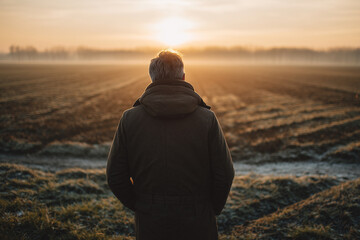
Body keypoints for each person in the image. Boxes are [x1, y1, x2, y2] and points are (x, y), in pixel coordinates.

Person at [107, 49, 234, 240]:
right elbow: (224, 173)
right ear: (183, 77)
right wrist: (209, 207)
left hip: (150, 221)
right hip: (198, 220)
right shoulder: (206, 118)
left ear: (152, 79)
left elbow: (115, 175)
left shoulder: (129, 119)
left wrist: (143, 204)